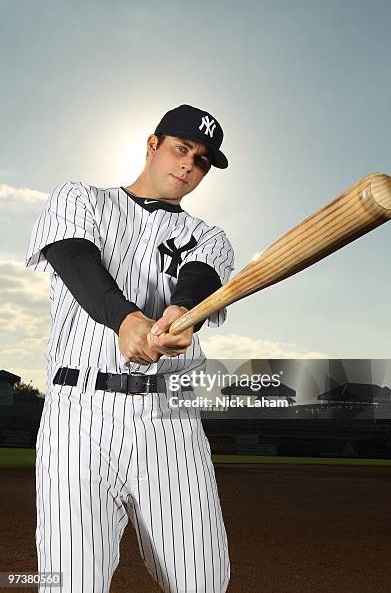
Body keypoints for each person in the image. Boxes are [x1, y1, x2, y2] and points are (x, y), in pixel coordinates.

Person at [26, 104, 234, 593]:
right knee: (69, 583)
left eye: (202, 160)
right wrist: (125, 319)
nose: (189, 164)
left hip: (170, 420)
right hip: (78, 415)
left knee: (202, 581)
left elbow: (200, 279)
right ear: (152, 144)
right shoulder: (81, 198)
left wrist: (179, 313)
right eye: (182, 148)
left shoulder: (211, 237)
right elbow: (73, 257)